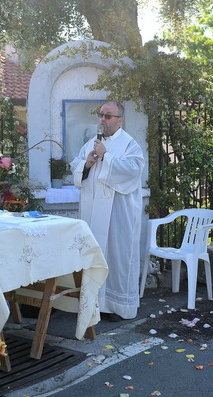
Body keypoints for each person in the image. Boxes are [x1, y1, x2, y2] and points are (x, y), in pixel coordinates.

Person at [71, 101, 145, 320]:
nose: (103, 119)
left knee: (118, 256)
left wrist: (106, 157)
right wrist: (87, 164)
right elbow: (76, 166)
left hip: (118, 215)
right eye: (101, 115)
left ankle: (117, 306)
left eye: (108, 116)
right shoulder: (91, 143)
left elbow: (134, 170)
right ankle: (95, 303)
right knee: (95, 255)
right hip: (93, 213)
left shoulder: (129, 144)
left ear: (120, 120)